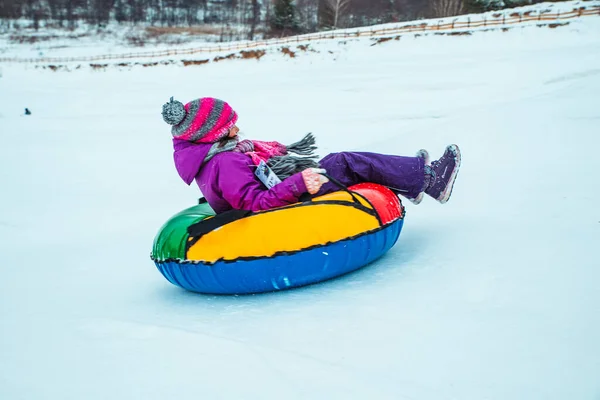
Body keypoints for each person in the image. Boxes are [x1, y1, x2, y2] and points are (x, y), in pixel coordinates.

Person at [162, 97, 461, 214]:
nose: (238, 128)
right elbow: (254, 204)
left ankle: (410, 181)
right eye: (230, 125)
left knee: (339, 163)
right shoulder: (225, 162)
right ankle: (430, 180)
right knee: (344, 162)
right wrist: (301, 183)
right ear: (211, 133)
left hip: (282, 189)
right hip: (286, 205)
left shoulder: (213, 157)